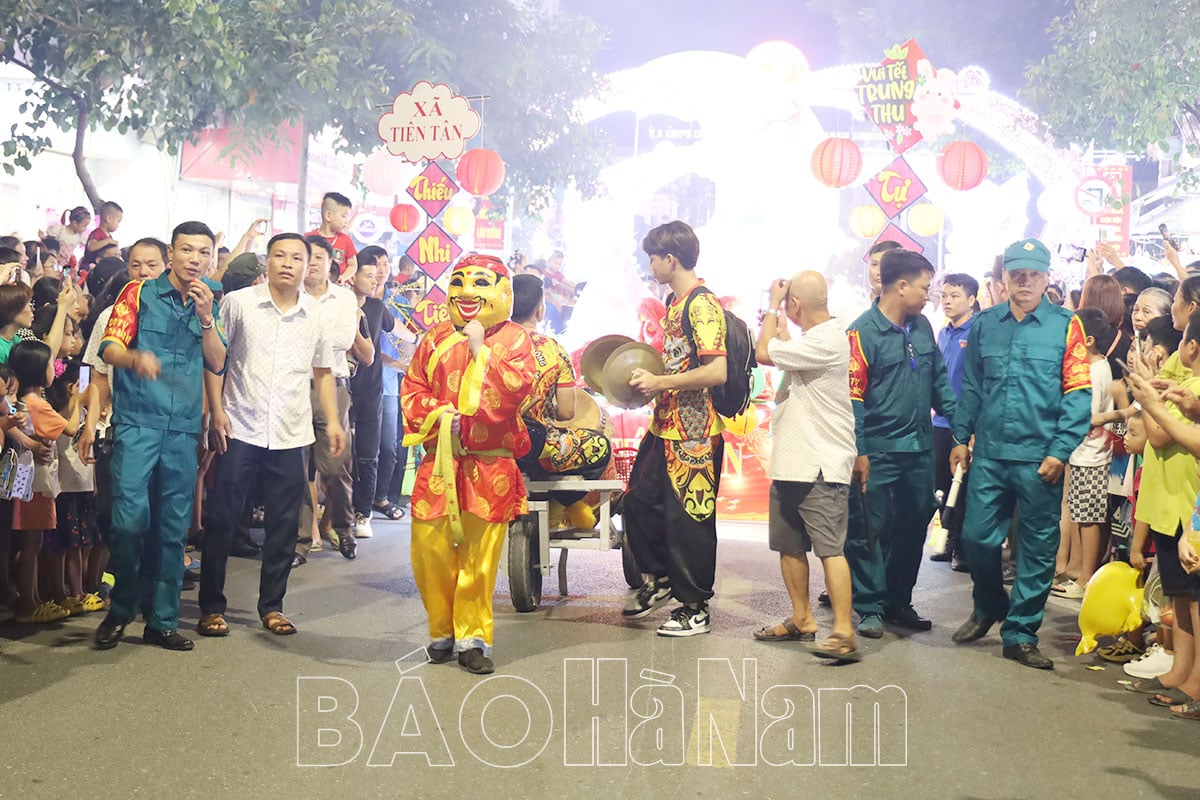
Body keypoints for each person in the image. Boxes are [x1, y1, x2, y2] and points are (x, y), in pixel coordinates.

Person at [949, 238, 1092, 670]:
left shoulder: (1068, 327)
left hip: (1040, 457)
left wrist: (1061, 450)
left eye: (1033, 274)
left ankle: (1021, 632)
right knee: (975, 537)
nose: (1024, 282)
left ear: (1047, 278)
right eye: (1017, 274)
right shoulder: (985, 325)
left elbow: (1079, 393)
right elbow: (971, 386)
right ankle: (990, 603)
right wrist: (960, 437)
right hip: (990, 454)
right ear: (1004, 279)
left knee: (1037, 548)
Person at [91, 221, 227, 652]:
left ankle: (163, 620)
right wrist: (134, 359)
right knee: (128, 522)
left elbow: (218, 362)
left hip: (184, 429)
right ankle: (121, 610)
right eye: (187, 250)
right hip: (136, 423)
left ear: (210, 259)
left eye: (203, 253)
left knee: (173, 529)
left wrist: (207, 319)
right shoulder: (138, 293)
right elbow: (109, 349)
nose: (195, 260)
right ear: (171, 255)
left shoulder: (210, 302)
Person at [200, 233, 343, 637]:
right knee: (224, 518)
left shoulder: (316, 315)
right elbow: (216, 360)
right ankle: (212, 605)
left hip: (291, 432)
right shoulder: (239, 304)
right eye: (280, 255)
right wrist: (215, 413)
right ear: (268, 261)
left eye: (297, 257)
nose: (288, 263)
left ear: (308, 265)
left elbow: (323, 372)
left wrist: (332, 421)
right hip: (240, 425)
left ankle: (272, 606)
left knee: (283, 525)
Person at [401, 254, 536, 674]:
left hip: (490, 467)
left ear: (503, 292)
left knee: (479, 559)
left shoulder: (515, 339)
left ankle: (472, 637)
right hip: (441, 461)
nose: (467, 292)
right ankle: (441, 631)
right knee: (430, 550)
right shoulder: (434, 337)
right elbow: (412, 389)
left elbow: (518, 389)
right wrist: (441, 415)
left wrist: (481, 351)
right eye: (459, 281)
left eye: (480, 282)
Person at [621, 220, 727, 637]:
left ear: (671, 259)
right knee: (637, 501)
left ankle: (696, 607)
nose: (650, 265)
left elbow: (716, 371)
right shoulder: (676, 303)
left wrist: (660, 382)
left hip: (694, 433)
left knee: (691, 521)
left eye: (653, 257)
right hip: (666, 427)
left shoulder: (701, 305)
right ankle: (662, 578)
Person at [845, 250, 956, 638]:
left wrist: (959, 431)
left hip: (919, 449)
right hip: (876, 449)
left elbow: (940, 383)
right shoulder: (861, 332)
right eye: (925, 287)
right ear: (901, 285)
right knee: (868, 529)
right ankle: (870, 606)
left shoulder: (923, 326)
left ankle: (898, 600)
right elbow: (853, 398)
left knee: (914, 525)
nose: (930, 295)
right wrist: (859, 449)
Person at [753, 271, 860, 661]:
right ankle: (803, 619)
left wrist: (770, 307)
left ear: (795, 305)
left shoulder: (829, 339)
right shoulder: (814, 340)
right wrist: (782, 318)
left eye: (787, 303)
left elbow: (765, 352)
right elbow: (781, 346)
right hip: (792, 462)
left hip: (820, 464)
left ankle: (844, 632)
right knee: (790, 546)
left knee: (830, 550)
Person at [293, 235, 372, 565]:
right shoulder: (288, 296)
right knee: (296, 469)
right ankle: (298, 543)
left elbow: (341, 339)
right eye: (305, 257)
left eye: (318, 257)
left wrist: (301, 333)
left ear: (330, 263)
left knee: (336, 465)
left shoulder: (343, 298)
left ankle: (344, 526)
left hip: (333, 387)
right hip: (294, 385)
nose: (310, 263)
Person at [511, 273, 612, 527]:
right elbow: (567, 412)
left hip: (495, 447)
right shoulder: (553, 349)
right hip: (538, 450)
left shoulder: (488, 344)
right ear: (540, 310)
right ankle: (559, 505)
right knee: (600, 447)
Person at [1052, 307, 1116, 599]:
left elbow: (1088, 416)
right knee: (1080, 514)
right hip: (1083, 454)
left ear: (1087, 340)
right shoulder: (1095, 367)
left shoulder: (1094, 370)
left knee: (1089, 518)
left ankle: (1087, 577)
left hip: (1091, 456)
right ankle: (1078, 570)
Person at [930, 272, 977, 572]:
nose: (947, 301)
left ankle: (962, 547)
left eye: (955, 295)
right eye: (944, 295)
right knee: (939, 485)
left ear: (972, 300)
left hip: (966, 423)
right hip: (940, 422)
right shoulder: (943, 332)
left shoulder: (977, 332)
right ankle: (945, 539)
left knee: (966, 488)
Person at [347, 246, 394, 539]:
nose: (375, 280)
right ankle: (337, 513)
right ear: (352, 277)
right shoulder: (337, 306)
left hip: (371, 391)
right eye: (369, 275)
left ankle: (364, 512)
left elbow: (392, 328)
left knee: (368, 454)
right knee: (340, 456)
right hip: (340, 387)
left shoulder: (377, 308)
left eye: (377, 276)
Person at [306, 192, 358, 282]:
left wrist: (344, 277)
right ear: (328, 216)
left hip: (339, 286)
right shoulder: (309, 238)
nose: (346, 221)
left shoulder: (345, 240)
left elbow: (353, 265)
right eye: (344, 216)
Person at [80, 201, 123, 277]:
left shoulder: (109, 236)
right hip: (88, 267)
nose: (118, 225)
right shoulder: (97, 233)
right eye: (118, 221)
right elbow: (91, 247)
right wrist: (108, 241)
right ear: (109, 218)